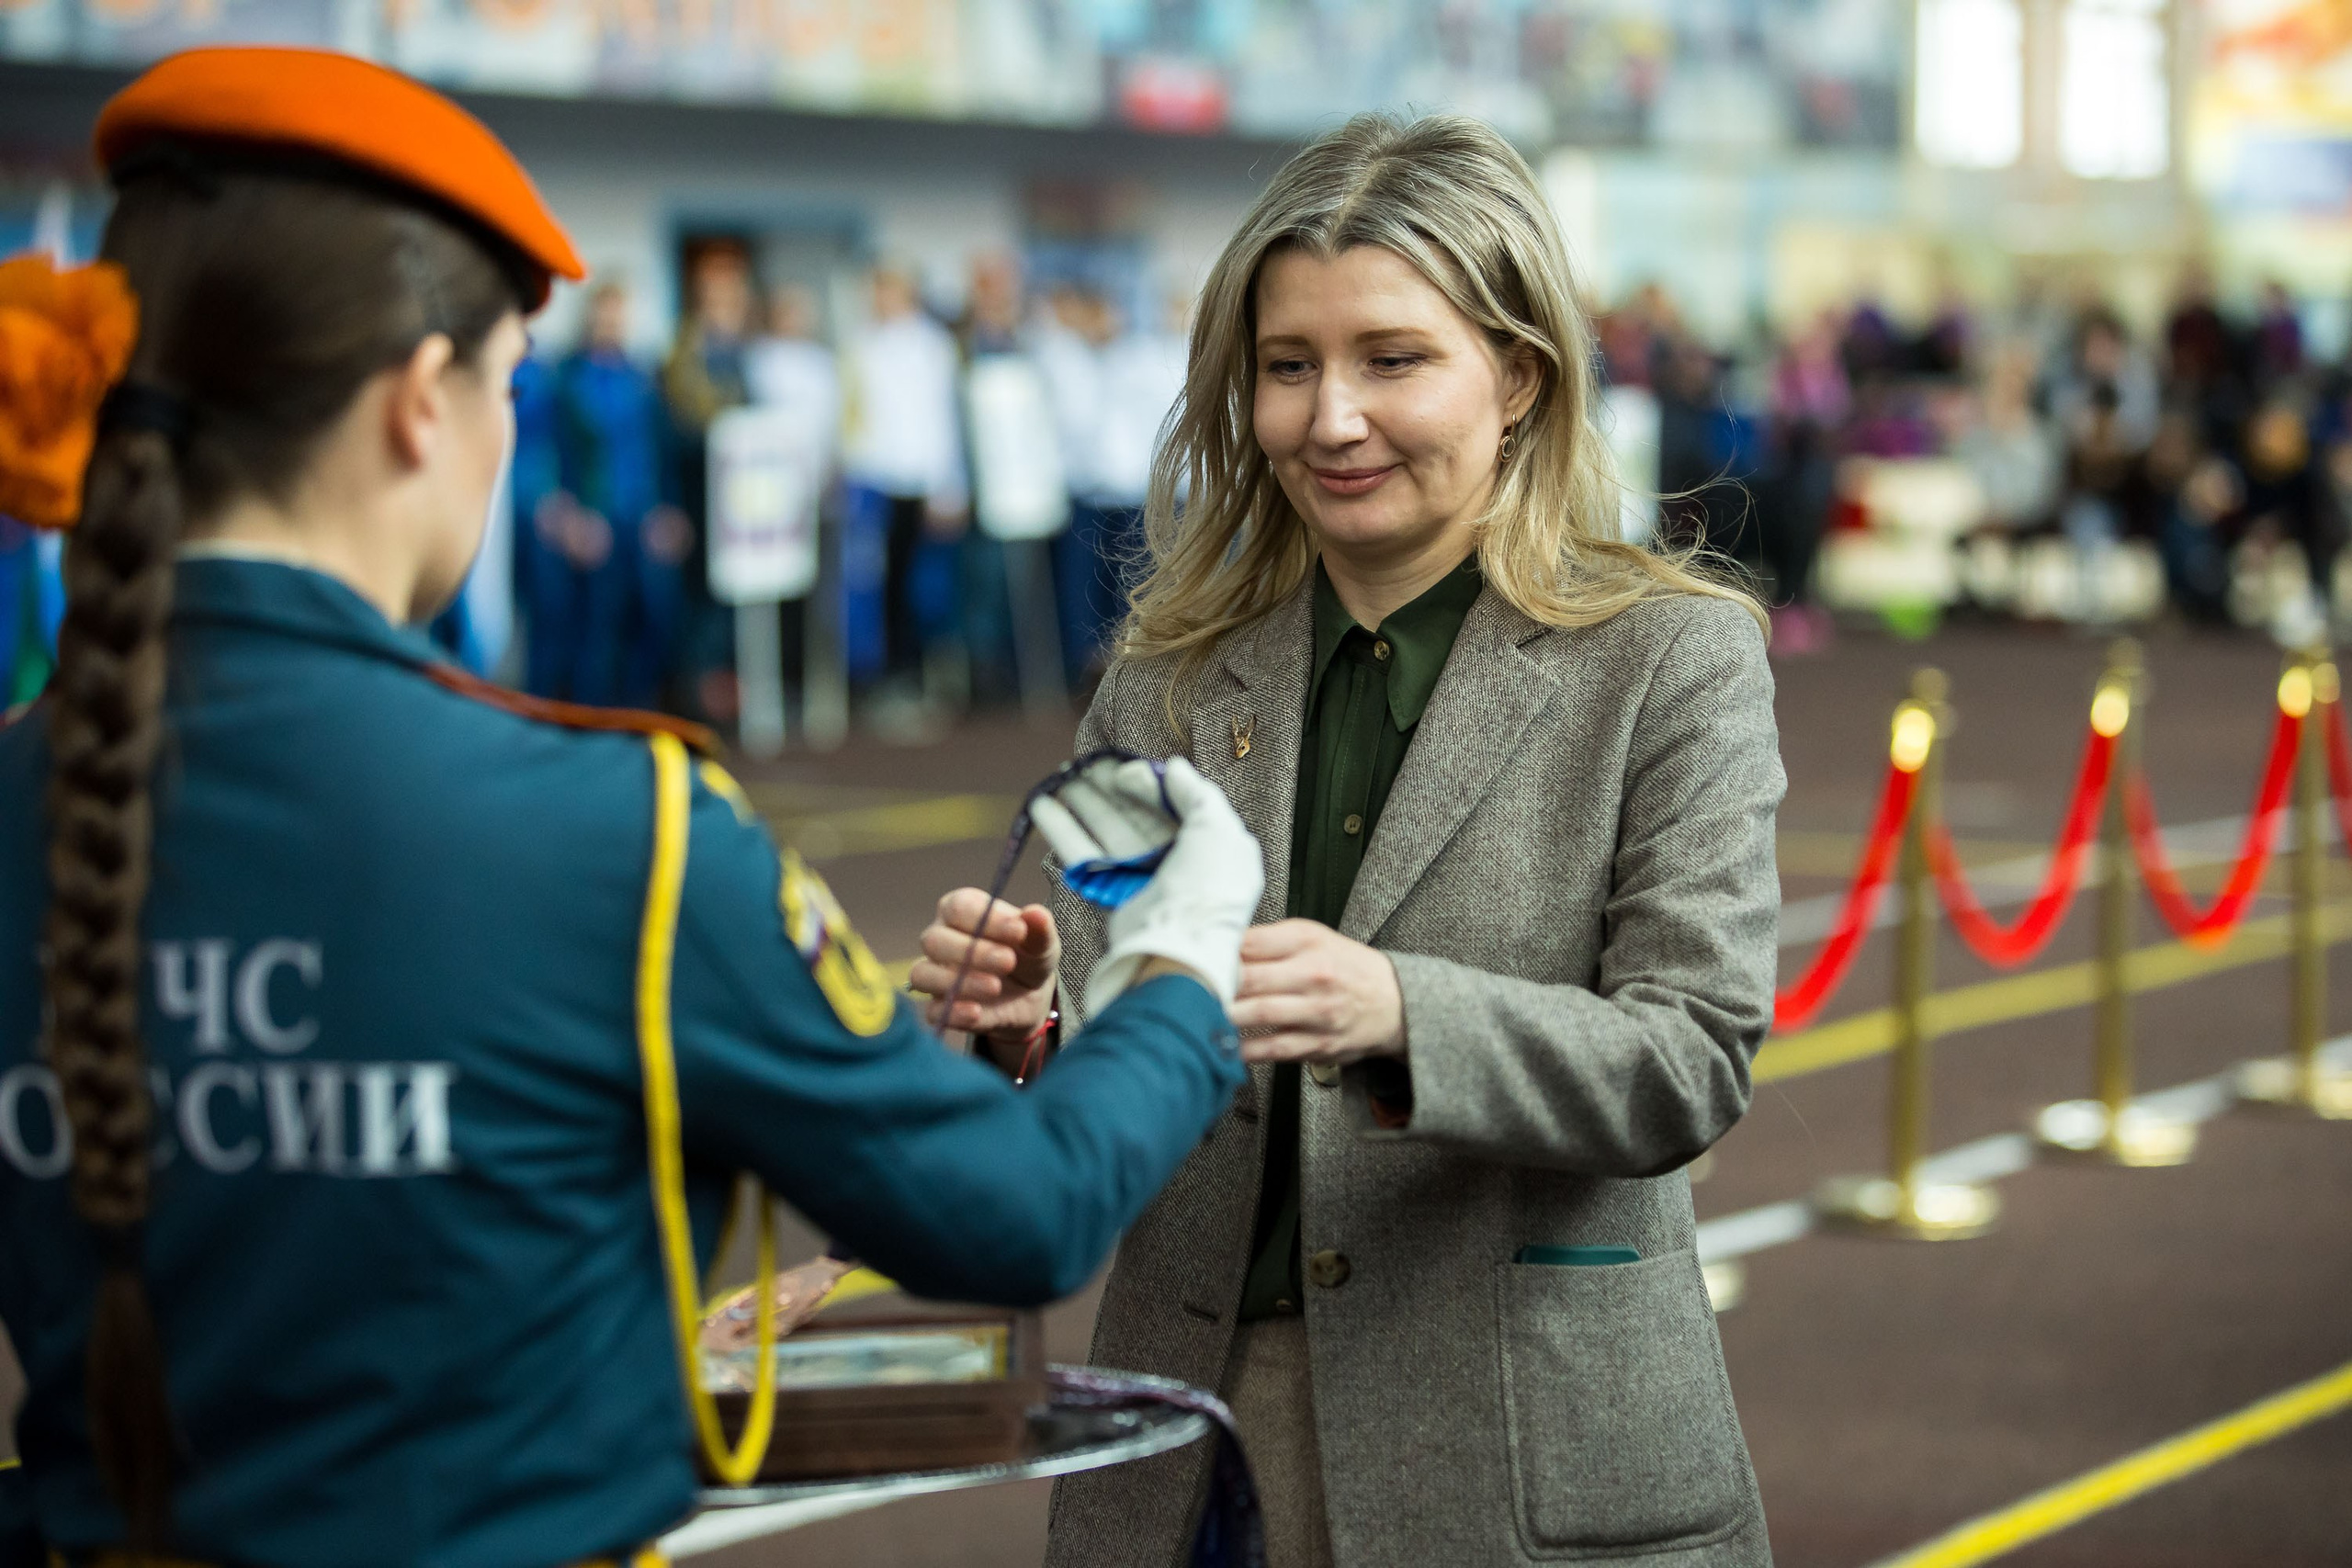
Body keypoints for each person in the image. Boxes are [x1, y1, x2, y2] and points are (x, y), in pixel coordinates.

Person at [0, 47, 1264, 1567]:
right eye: (505, 385)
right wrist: (1182, 958)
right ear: (418, 402)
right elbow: (1021, 1213)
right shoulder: (621, 829)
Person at [916, 112, 1781, 1567]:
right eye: (1288, 365)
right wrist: (1027, 1028)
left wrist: (1400, 1012)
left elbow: (1688, 1057)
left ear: (1518, 374)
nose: (1331, 418)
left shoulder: (1671, 660)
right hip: (1191, 1449)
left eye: (1393, 359)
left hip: (1520, 1455)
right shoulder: (1164, 677)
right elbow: (1101, 1068)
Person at [841, 263, 966, 716]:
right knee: (879, 585)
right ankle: (884, 676)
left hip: (920, 482)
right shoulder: (862, 345)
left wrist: (949, 485)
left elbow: (942, 418)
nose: (879, 299)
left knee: (924, 586)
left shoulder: (934, 346)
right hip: (874, 481)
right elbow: (853, 416)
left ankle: (922, 675)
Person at [556, 280, 686, 707]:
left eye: (618, 314)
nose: (611, 323)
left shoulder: (642, 378)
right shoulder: (569, 379)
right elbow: (561, 454)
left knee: (653, 619)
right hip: (597, 517)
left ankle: (639, 716)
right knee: (597, 628)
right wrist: (573, 516)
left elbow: (660, 449)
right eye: (604, 314)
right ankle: (594, 721)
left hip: (642, 515)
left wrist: (667, 509)